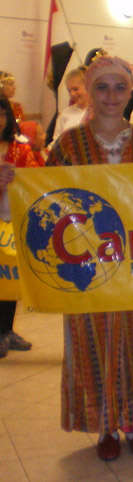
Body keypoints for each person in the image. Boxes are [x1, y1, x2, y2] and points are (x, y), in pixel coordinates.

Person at [0, 55, 133, 461]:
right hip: (84, 266)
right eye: (102, 88)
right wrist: (12, 185)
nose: (111, 97)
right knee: (91, 343)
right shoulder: (69, 145)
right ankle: (104, 426)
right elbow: (45, 203)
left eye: (120, 88)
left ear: (130, 91)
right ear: (90, 92)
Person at [0, 97, 38, 358]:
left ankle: (6, 330)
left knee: (9, 277)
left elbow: (36, 180)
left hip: (12, 221)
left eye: (2, 114)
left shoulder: (20, 149)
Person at [52, 67, 90, 143]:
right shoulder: (65, 114)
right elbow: (56, 142)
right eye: (69, 91)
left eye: (75, 89)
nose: (72, 94)